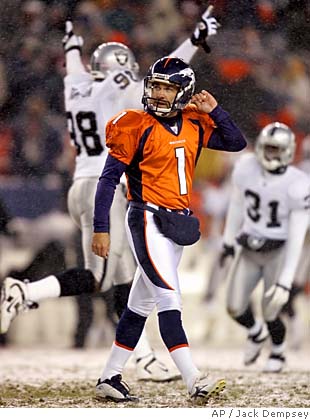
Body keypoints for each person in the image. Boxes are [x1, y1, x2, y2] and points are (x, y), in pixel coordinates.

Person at [0, 7, 220, 381]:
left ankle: (145, 356)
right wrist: (195, 41)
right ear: (120, 69)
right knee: (99, 276)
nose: (144, 83)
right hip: (106, 186)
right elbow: (168, 71)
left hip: (79, 186)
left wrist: (71, 45)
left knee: (121, 276)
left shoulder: (78, 86)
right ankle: (25, 290)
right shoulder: (114, 90)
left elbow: (73, 67)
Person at [91, 56, 246, 402]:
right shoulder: (135, 125)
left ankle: (109, 376)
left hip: (175, 223)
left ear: (184, 91)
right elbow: (107, 181)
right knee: (168, 298)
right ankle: (194, 379)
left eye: (168, 87)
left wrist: (216, 110)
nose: (159, 94)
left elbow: (236, 142)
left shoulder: (194, 122)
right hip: (146, 217)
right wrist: (101, 227)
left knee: (140, 305)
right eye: (156, 86)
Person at [220, 122, 310, 372]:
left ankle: (278, 352)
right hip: (249, 247)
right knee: (234, 307)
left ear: (289, 151)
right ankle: (255, 331)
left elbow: (297, 233)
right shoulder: (246, 168)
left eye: (276, 149)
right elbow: (237, 205)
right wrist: (228, 242)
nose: (270, 154)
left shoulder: (298, 183)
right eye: (267, 148)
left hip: (278, 250)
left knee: (271, 310)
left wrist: (286, 279)